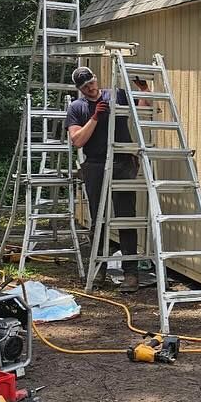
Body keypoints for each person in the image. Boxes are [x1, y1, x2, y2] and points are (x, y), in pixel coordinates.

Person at [66, 66, 141, 292]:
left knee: (127, 217)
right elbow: (77, 140)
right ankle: (98, 272)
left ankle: (131, 274)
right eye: (84, 86)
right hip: (96, 165)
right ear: (79, 89)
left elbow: (141, 111)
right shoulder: (77, 108)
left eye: (91, 82)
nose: (90, 88)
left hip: (123, 162)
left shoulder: (116, 95)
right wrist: (95, 117)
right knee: (98, 217)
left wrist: (145, 92)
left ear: (96, 79)